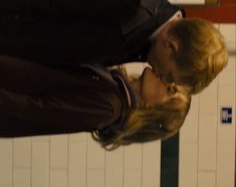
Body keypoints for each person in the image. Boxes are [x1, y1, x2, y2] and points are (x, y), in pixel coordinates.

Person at [0, 0, 228, 94]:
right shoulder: (134, 4)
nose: (161, 77)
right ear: (171, 46)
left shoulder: (144, 41)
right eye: (169, 75)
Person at [0, 55, 191, 148]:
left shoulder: (109, 109)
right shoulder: (115, 87)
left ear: (151, 109)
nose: (166, 79)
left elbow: (35, 108)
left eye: (170, 89)